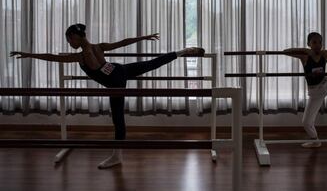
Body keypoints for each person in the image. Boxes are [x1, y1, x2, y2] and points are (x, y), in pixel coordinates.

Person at [10, 23, 204, 168]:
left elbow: (54, 58)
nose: (68, 43)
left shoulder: (82, 55)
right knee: (152, 64)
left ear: (75, 37)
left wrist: (29, 55)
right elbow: (122, 42)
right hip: (119, 71)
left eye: (69, 39)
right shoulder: (97, 46)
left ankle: (117, 156)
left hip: (115, 81)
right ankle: (181, 51)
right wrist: (143, 37)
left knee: (118, 120)